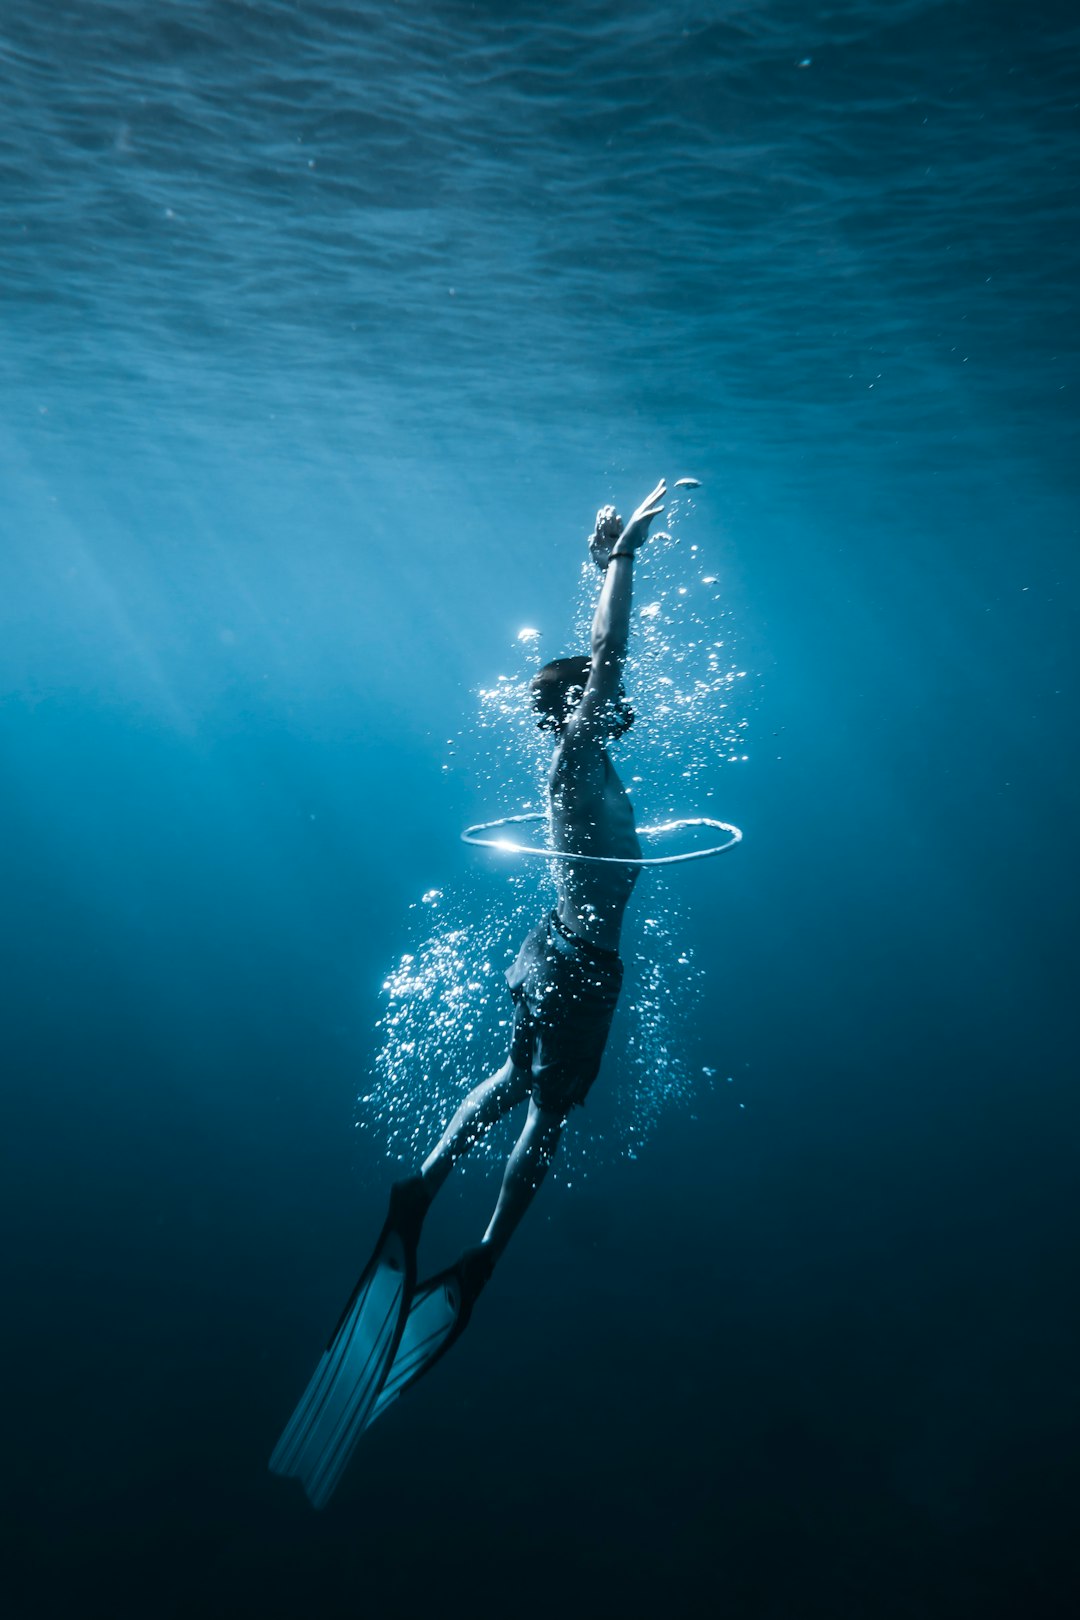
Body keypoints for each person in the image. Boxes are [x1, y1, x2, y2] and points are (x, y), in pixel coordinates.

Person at [270, 480, 667, 1509]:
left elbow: (599, 680)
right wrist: (620, 566)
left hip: (559, 951)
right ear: (580, 706)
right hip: (579, 961)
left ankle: (425, 1180)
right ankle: (485, 1249)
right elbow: (607, 666)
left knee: (510, 1076)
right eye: (602, 699)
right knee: (549, 1112)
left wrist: (596, 565)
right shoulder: (580, 755)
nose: (623, 705)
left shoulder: (575, 763)